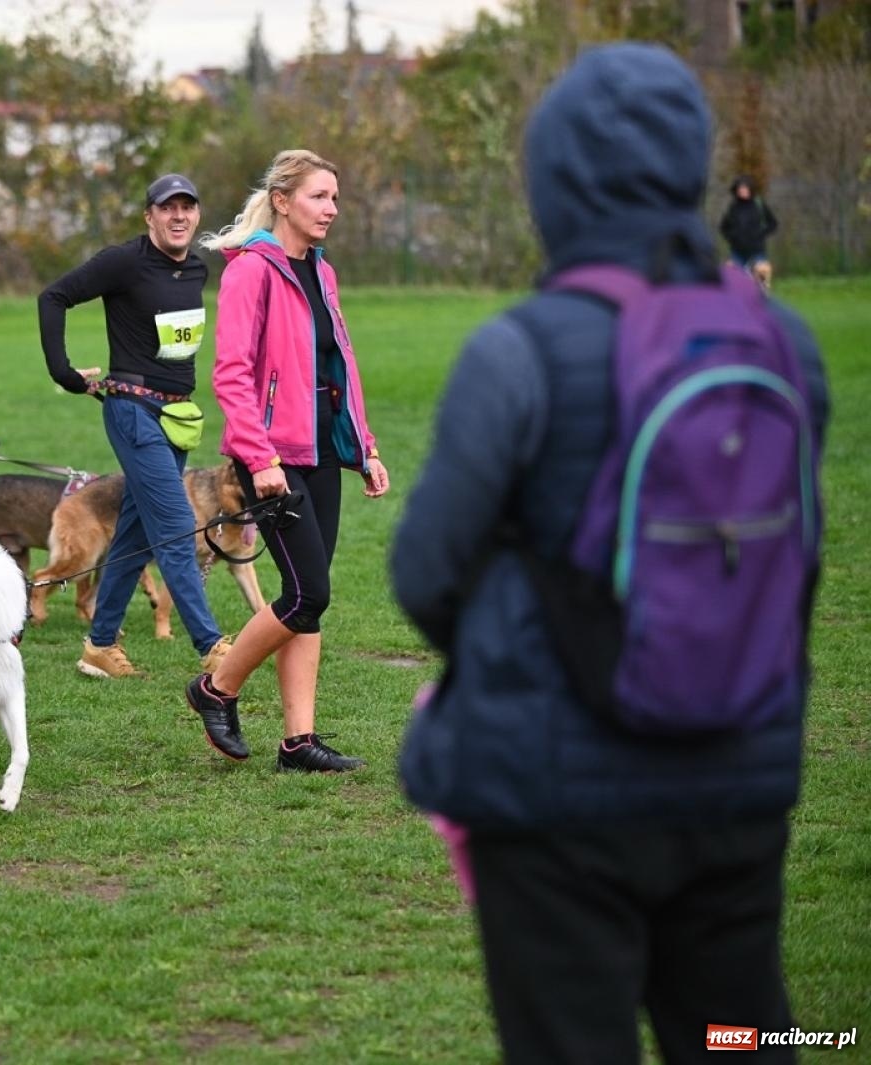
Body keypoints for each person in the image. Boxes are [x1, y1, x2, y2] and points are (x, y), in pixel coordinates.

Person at [391, 44, 828, 1063]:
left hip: (554, 806)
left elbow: (424, 574)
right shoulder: (783, 344)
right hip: (737, 780)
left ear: (552, 182)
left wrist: (537, 642)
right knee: (740, 1039)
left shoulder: (522, 350)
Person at [184, 149, 389, 772]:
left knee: (310, 598)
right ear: (282, 200)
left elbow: (340, 365)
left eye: (335, 197)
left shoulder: (322, 273)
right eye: (319, 196)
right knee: (306, 592)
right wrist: (258, 454)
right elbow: (232, 374)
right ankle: (214, 689)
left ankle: (298, 742)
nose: (331, 209)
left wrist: (366, 447)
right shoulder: (250, 271)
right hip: (269, 458)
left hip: (321, 451)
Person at [38, 173, 232, 679]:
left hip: (178, 418)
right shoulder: (123, 261)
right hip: (131, 411)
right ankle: (211, 646)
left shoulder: (196, 268)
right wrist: (63, 371)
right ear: (149, 215)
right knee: (173, 527)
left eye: (188, 207)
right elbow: (52, 296)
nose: (179, 216)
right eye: (168, 207)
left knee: (135, 533)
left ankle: (99, 646)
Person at [720, 175, 780, 288]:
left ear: (751, 189)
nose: (743, 191)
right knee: (734, 284)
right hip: (737, 252)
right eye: (740, 189)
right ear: (736, 191)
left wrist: (761, 234)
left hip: (757, 250)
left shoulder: (759, 205)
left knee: (762, 284)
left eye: (745, 188)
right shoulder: (733, 207)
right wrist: (732, 238)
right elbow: (723, 227)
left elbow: (773, 224)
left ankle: (761, 302)